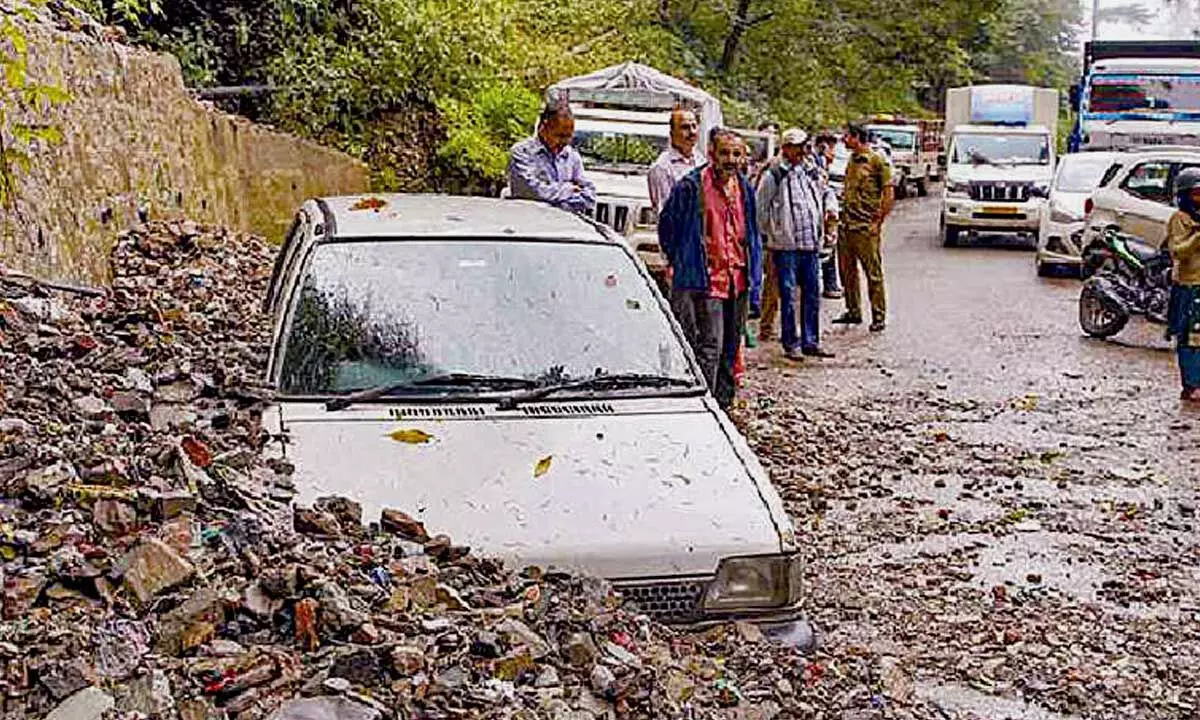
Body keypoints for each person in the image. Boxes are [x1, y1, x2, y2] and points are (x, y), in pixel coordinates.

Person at [659, 128, 763, 408]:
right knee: (710, 345)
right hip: (707, 279)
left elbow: (751, 232)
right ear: (712, 154)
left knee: (731, 345)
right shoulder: (691, 187)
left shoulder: (744, 188)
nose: (730, 159)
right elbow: (667, 227)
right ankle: (703, 405)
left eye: (736, 154)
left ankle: (725, 402)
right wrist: (684, 260)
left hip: (738, 278)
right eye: (725, 153)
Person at [756, 128, 837, 360]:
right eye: (797, 146)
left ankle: (811, 340)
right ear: (787, 148)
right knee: (788, 295)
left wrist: (830, 211)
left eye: (804, 146)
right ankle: (791, 342)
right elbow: (761, 207)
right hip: (785, 245)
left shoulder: (810, 170)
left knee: (813, 293)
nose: (802, 151)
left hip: (810, 243)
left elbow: (826, 192)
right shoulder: (774, 174)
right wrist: (769, 235)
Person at [835, 124, 893, 332]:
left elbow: (888, 193)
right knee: (847, 271)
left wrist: (878, 221)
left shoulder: (877, 160)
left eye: (847, 136)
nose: (843, 140)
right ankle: (853, 310)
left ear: (857, 138)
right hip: (847, 225)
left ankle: (878, 316)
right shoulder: (852, 160)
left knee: (873, 273)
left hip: (865, 227)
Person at [507, 100, 596, 214]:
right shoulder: (521, 153)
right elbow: (530, 191)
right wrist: (568, 190)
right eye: (560, 136)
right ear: (544, 127)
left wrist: (555, 199)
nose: (565, 142)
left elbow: (589, 195)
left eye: (569, 136)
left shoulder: (572, 157)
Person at [1166, 167, 1200, 401]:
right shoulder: (1179, 220)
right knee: (1189, 339)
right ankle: (1191, 384)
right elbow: (1178, 251)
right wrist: (1198, 237)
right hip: (1189, 287)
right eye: (1196, 194)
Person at [648, 108, 702, 215]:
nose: (692, 132)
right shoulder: (662, 168)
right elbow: (666, 213)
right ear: (672, 133)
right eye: (685, 127)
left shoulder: (701, 160)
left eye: (694, 126)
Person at [814, 133, 843, 300]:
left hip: (824, 211)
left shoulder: (822, 162)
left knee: (829, 248)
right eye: (831, 148)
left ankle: (830, 284)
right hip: (819, 214)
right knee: (828, 249)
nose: (833, 153)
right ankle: (830, 284)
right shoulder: (816, 163)